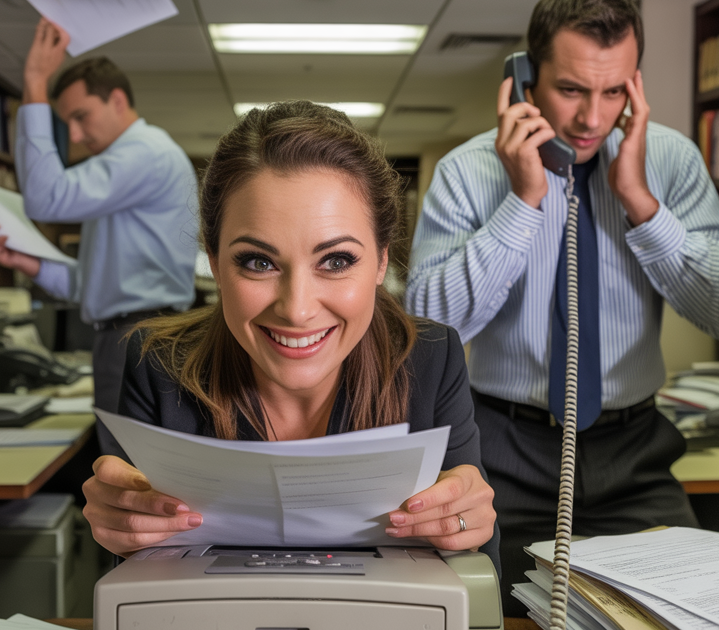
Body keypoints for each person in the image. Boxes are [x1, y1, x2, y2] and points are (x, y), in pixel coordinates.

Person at [405, 0, 719, 612]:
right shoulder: (466, 171)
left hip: (635, 450)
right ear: (525, 80)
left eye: (614, 91)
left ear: (634, 86)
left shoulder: (670, 161)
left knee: (688, 611)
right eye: (570, 89)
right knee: (487, 613)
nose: (592, 118)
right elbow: (429, 326)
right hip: (502, 453)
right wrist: (523, 201)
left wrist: (640, 201)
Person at [79, 101, 499, 565]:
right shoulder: (156, 362)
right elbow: (138, 586)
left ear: (381, 260)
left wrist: (470, 529)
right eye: (258, 262)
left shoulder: (432, 358)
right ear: (215, 261)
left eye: (336, 261)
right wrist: (123, 523)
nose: (297, 310)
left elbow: (474, 581)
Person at [0, 19, 199, 434]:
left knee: (126, 475)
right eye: (67, 125)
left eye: (81, 116)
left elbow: (45, 198)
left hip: (137, 336)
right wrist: (24, 261)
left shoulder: (144, 154)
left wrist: (35, 81)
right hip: (130, 332)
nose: (75, 135)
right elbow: (90, 286)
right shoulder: (124, 176)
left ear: (116, 99)